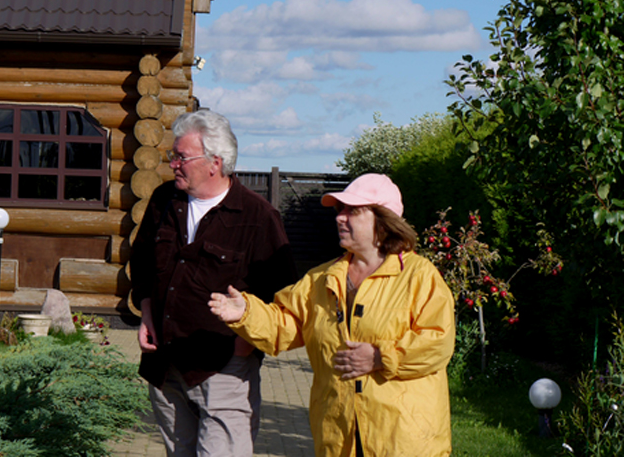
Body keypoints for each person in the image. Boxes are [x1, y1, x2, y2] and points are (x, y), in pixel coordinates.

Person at [209, 173, 455, 457]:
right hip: (338, 435)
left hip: (402, 438)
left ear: (383, 220)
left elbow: (437, 342)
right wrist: (247, 313)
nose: (340, 218)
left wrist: (380, 357)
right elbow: (285, 325)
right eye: (340, 210)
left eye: (353, 211)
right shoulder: (321, 279)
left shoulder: (420, 277)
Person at [130, 109, 298, 457]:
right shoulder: (164, 200)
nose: (172, 164)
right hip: (166, 365)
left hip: (223, 369)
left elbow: (284, 295)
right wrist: (146, 310)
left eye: (181, 157)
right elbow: (142, 261)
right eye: (172, 155)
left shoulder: (257, 218)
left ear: (214, 163)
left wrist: (245, 348)